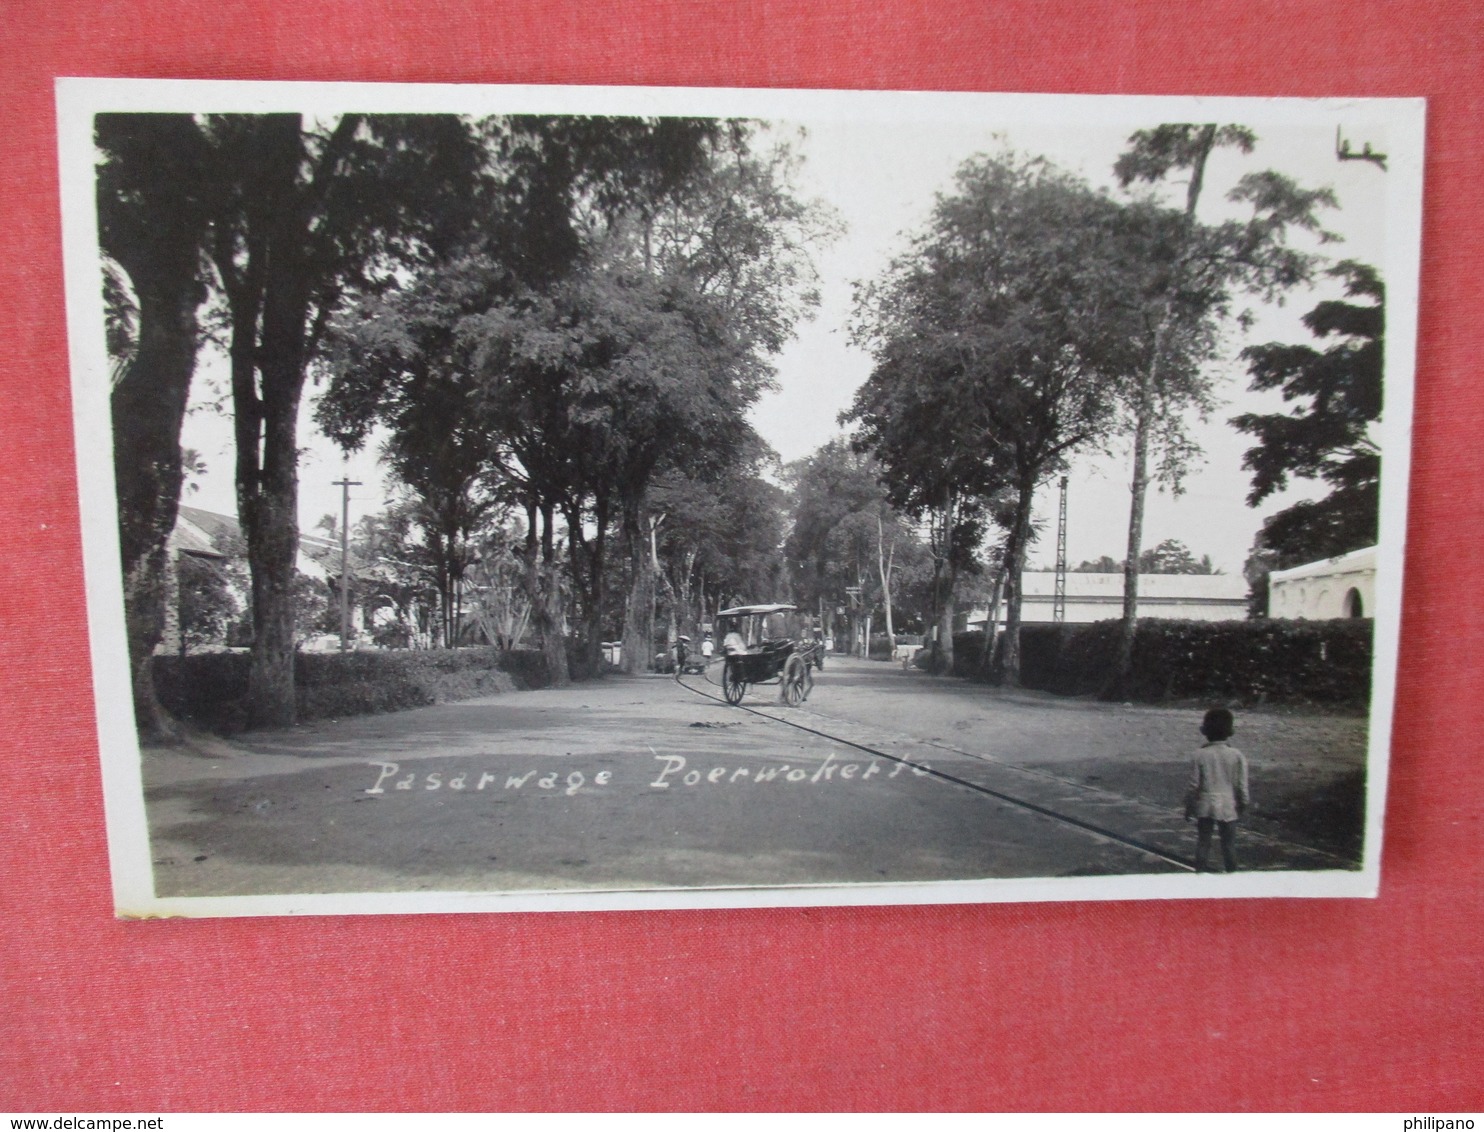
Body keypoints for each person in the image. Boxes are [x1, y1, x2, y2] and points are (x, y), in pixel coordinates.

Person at [1184, 707, 1251, 872]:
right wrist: (1243, 803)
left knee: (1203, 842)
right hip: (1228, 803)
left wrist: (1189, 806)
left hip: (1205, 803)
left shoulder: (1199, 755)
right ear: (1231, 731)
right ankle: (1232, 877)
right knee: (1229, 845)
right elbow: (1241, 785)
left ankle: (1200, 875)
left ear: (1205, 731)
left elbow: (1193, 785)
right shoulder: (1237, 755)